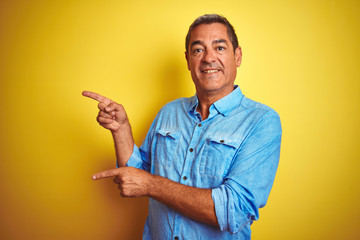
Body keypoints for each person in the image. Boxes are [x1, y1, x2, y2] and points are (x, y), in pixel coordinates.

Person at [83, 14, 282, 240]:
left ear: (237, 56)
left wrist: (151, 185)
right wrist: (121, 130)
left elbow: (234, 210)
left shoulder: (262, 121)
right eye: (198, 50)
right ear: (188, 60)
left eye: (219, 47)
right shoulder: (169, 112)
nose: (208, 58)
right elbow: (139, 174)